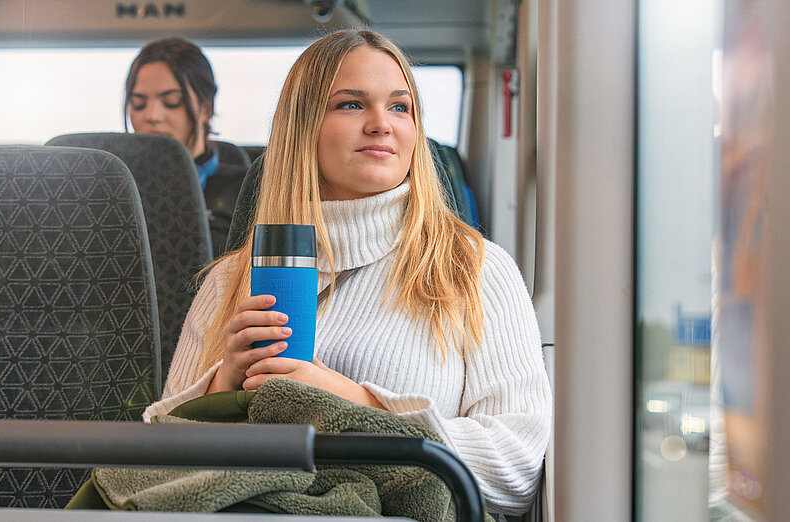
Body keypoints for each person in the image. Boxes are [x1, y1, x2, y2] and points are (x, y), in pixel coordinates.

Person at [143, 29, 551, 516]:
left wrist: (349, 402)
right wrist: (221, 387)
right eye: (352, 105)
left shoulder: (474, 268)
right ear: (304, 126)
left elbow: (515, 470)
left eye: (400, 108)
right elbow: (153, 469)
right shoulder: (230, 279)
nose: (382, 123)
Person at [124, 37, 247, 257]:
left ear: (206, 108)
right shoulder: (117, 189)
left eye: (172, 101)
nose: (152, 116)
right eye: (138, 104)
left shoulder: (247, 189)